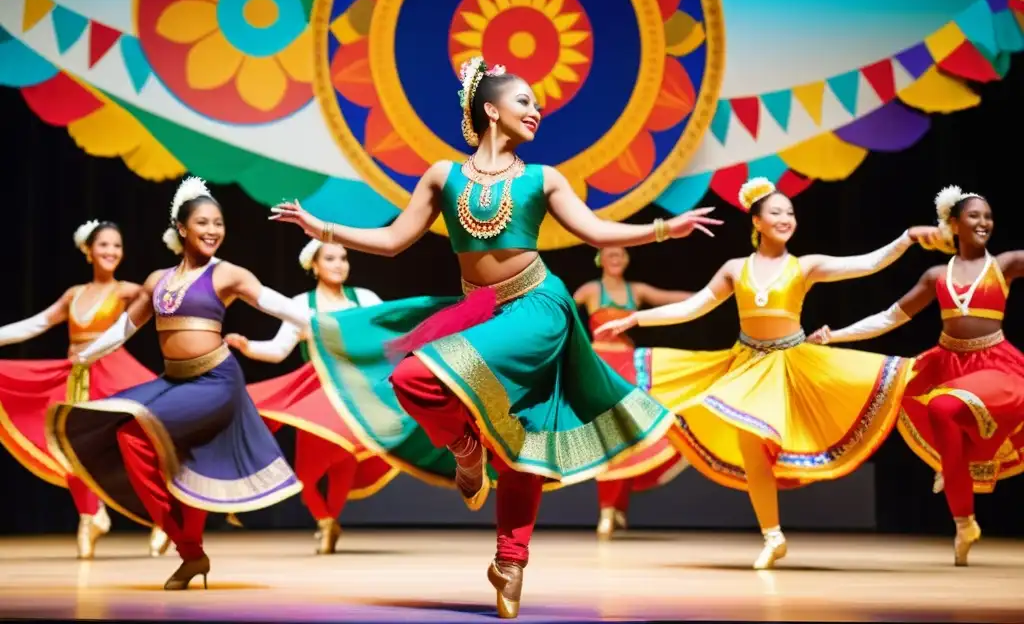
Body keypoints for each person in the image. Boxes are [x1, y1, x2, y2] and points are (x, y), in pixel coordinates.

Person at [269, 56, 721, 618]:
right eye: (526, 101)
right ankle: (466, 449)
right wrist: (324, 228)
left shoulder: (542, 178)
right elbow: (392, 241)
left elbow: (595, 230)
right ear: (491, 109)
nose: (538, 109)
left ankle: (512, 560)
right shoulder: (442, 176)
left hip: (537, 307)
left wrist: (661, 229)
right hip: (479, 309)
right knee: (414, 378)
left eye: (536, 103)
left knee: (526, 435)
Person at [595, 177, 940, 569]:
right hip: (746, 364)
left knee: (891, 378)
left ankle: (939, 450)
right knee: (751, 447)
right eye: (776, 212)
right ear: (757, 221)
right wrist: (636, 318)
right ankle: (773, 537)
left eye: (790, 213)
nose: (786, 218)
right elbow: (693, 308)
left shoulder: (804, 266)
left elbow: (868, 264)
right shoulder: (735, 269)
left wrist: (908, 237)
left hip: (791, 364)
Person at [45, 177, 312, 590]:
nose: (212, 230)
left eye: (218, 223)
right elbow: (122, 329)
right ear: (182, 228)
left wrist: (337, 328)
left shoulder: (229, 275)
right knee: (141, 442)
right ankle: (190, 552)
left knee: (140, 435)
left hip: (216, 383)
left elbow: (281, 305)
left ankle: (187, 550)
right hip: (174, 382)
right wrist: (85, 355)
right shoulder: (157, 281)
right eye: (203, 222)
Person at [808, 186, 1024, 566]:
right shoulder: (936, 275)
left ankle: (965, 462)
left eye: (988, 216)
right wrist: (834, 335)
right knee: (899, 389)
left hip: (995, 364)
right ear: (953, 224)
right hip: (946, 363)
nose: (983, 222)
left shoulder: (1004, 264)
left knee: (942, 407)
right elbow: (890, 317)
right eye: (974, 216)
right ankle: (964, 521)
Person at [0, 220, 169, 559]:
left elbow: (163, 302)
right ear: (88, 250)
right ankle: (90, 516)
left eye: (117, 246)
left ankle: (163, 518)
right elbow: (36, 324)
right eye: (104, 245)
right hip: (77, 378)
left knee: (139, 447)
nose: (111, 252)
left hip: (115, 373)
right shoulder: (73, 295)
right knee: (71, 447)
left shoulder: (126, 291)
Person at [227, 239, 397, 555]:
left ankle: (328, 522)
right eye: (330, 258)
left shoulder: (365, 299)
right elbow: (278, 351)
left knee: (345, 459)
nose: (339, 264)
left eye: (343, 258)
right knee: (308, 473)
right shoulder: (301, 305)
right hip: (317, 393)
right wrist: (248, 346)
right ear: (314, 266)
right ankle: (327, 520)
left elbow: (384, 341)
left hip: (354, 393)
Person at [573, 247, 691, 539]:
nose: (616, 259)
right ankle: (607, 510)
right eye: (610, 254)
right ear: (601, 258)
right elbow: (563, 311)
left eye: (621, 255)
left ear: (626, 260)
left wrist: (715, 294)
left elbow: (669, 299)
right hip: (599, 368)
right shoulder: (590, 290)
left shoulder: (635, 290)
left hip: (628, 368)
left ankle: (616, 508)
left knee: (632, 437)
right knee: (607, 440)